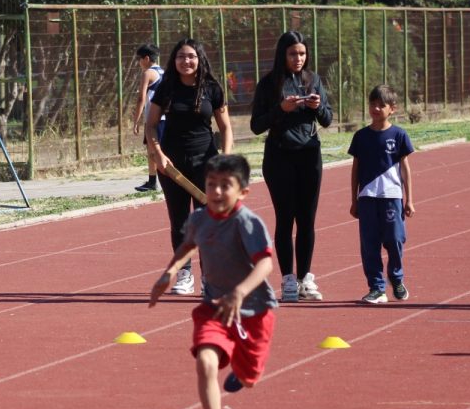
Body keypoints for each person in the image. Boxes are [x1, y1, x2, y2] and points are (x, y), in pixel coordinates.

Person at [150, 154, 277, 409]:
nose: (217, 192)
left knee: (249, 379)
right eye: (211, 185)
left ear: (243, 192)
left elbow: (265, 264)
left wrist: (240, 292)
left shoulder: (247, 222)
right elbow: (188, 245)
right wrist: (169, 271)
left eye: (225, 186)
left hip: (255, 311)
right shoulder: (199, 219)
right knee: (205, 362)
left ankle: (241, 372)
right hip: (215, 308)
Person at [250, 30, 334, 302]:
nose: (298, 58)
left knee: (307, 219)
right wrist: (280, 110)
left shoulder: (313, 80)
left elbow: (327, 120)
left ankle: (305, 278)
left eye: (302, 53)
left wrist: (318, 107)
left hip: (309, 156)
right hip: (279, 157)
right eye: (292, 53)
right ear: (282, 55)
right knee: (286, 218)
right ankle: (287, 279)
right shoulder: (269, 84)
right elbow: (256, 125)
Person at [147, 38, 234, 296]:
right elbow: (151, 124)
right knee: (180, 222)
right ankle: (184, 275)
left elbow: (226, 127)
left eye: (191, 57)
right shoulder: (166, 88)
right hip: (172, 165)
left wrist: (225, 159)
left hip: (206, 163)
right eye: (181, 57)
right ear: (174, 61)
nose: (186, 61)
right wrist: (158, 154)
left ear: (199, 59)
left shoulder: (212, 88)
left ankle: (210, 277)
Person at [348, 84, 416, 304]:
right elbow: (355, 169)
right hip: (367, 198)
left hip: (392, 198)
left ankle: (396, 278)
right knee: (369, 244)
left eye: (381, 105)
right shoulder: (361, 136)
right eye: (372, 104)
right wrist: (354, 199)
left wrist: (409, 199)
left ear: (392, 109)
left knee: (395, 239)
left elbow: (405, 169)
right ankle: (377, 287)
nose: (376, 109)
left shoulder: (399, 135)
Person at [132, 44, 164, 192]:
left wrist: (136, 120)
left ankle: (157, 181)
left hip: (154, 119)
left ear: (146, 58)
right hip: (165, 118)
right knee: (154, 151)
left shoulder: (148, 73)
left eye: (139, 59)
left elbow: (141, 98)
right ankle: (152, 181)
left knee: (153, 151)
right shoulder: (164, 72)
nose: (138, 62)